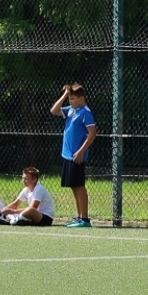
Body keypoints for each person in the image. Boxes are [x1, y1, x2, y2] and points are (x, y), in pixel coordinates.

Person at [50, 82, 97, 227]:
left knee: (79, 186)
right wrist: (65, 94)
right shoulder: (71, 110)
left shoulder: (85, 113)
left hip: (77, 156)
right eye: (69, 99)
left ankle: (85, 219)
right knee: (73, 186)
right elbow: (54, 110)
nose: (70, 101)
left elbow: (92, 133)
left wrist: (81, 151)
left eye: (73, 99)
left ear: (82, 98)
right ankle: (79, 217)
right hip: (67, 155)